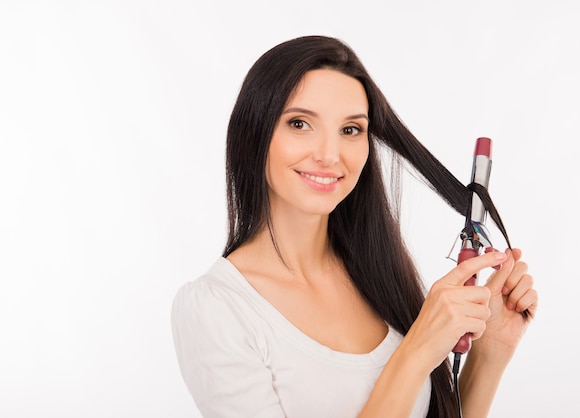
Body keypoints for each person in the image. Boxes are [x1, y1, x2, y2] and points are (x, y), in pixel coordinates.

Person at [171, 35, 538, 418]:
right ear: (254, 133)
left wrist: (491, 353)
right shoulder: (216, 309)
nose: (330, 155)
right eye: (300, 123)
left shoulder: (376, 276)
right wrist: (417, 350)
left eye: (350, 130)